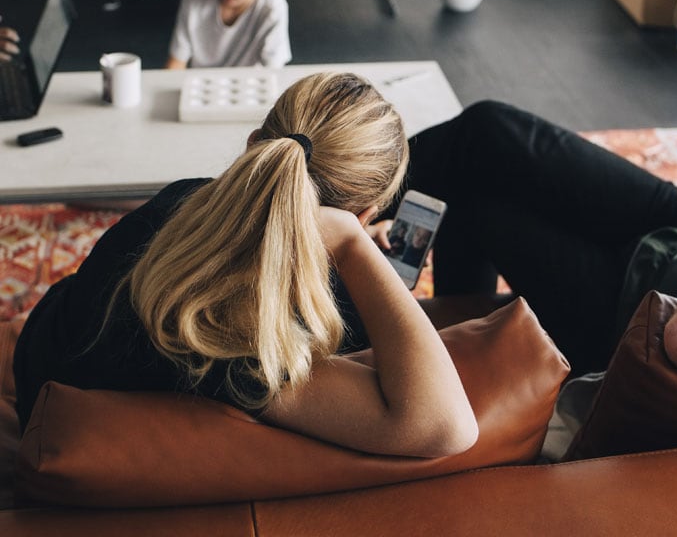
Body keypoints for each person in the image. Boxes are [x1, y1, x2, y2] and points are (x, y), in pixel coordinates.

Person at [13, 72, 477, 458]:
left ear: (254, 146)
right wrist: (356, 249)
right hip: (57, 422)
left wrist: (345, 236)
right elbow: (446, 426)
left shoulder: (180, 198)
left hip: (45, 349)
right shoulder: (247, 330)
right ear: (365, 216)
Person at [369, 99, 677, 377]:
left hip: (639, 308)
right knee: (484, 130)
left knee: (468, 198)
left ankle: (343, 272)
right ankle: (343, 224)